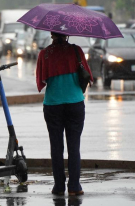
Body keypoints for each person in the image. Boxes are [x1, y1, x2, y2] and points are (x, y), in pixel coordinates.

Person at [36, 32, 93, 196]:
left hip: (53, 104)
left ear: (51, 34)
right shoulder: (76, 51)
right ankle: (74, 186)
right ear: (67, 34)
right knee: (74, 146)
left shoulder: (44, 54)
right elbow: (87, 75)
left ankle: (59, 187)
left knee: (56, 147)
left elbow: (42, 80)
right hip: (75, 103)